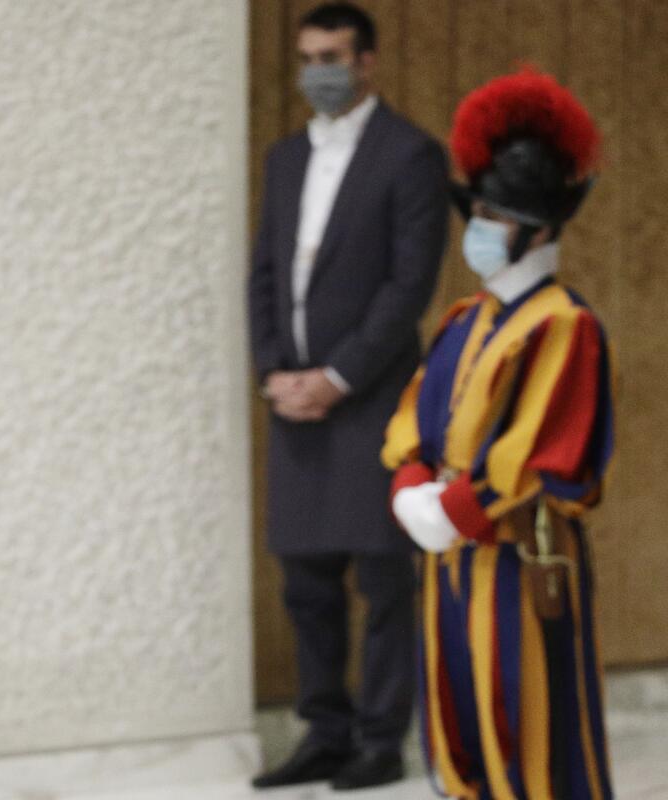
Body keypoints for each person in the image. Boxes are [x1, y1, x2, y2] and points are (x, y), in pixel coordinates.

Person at [382, 69, 614, 799]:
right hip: (447, 562)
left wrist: (444, 514)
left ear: (541, 228)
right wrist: (411, 491)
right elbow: (410, 423)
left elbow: (534, 458)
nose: (481, 227)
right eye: (479, 209)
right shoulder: (463, 318)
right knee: (457, 727)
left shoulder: (564, 325)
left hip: (516, 561)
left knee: (529, 732)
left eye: (498, 215)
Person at [247, 2, 448, 791]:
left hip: (369, 398)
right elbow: (264, 272)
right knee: (306, 580)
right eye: (307, 58)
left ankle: (379, 738)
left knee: (384, 575)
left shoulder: (410, 156)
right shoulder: (284, 157)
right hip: (290, 396)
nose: (316, 73)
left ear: (367, 62)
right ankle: (323, 731)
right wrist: (273, 370)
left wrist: (336, 377)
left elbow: (408, 287)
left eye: (332, 55)